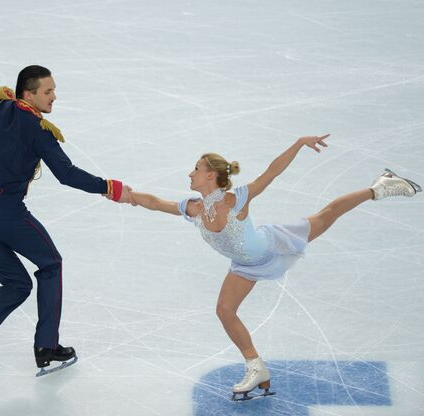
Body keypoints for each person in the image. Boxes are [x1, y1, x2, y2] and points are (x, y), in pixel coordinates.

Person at [126, 135, 421, 399]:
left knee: (326, 215)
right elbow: (153, 202)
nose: (190, 173)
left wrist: (298, 144)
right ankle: (257, 368)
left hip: (272, 246)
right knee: (225, 311)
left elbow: (273, 172)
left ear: (211, 175)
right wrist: (122, 194)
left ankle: (380, 187)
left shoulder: (235, 199)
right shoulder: (193, 208)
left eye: (196, 169)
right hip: (243, 265)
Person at [0, 6, 132, 375]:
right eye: (48, 92)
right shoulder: (39, 132)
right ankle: (47, 347)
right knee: (51, 264)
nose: (54, 98)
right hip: (6, 214)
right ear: (29, 93)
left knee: (17, 282)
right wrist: (110, 188)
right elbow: (66, 174)